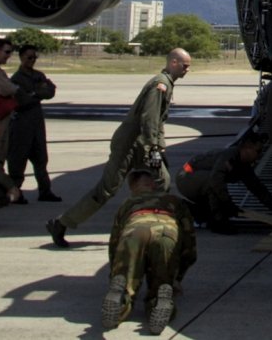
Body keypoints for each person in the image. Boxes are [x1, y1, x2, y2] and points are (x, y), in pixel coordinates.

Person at [48, 48, 191, 247]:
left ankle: (148, 226)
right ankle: (62, 223)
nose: (187, 70)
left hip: (141, 143)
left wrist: (158, 146)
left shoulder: (165, 83)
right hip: (133, 144)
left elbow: (155, 122)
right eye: (185, 66)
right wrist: (154, 148)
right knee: (108, 188)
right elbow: (149, 119)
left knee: (162, 182)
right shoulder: (161, 85)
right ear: (174, 62)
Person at [101, 167, 197, 334]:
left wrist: (115, 273)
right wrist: (177, 277)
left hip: (136, 228)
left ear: (133, 187)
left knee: (126, 277)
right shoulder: (173, 199)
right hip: (166, 231)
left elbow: (115, 242)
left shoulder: (129, 202)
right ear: (153, 184)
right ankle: (160, 299)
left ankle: (121, 296)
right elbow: (189, 240)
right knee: (161, 285)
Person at [174, 132, 272, 232]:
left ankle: (195, 211)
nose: (258, 156)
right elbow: (215, 182)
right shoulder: (230, 156)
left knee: (214, 200)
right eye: (257, 151)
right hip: (186, 177)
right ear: (247, 147)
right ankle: (218, 223)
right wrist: (228, 204)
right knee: (214, 184)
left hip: (197, 181)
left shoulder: (243, 166)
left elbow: (258, 189)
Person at [7, 42, 61, 201]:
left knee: (41, 159)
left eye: (34, 57)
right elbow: (21, 100)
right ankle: (16, 193)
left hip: (36, 123)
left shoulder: (38, 75)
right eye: (29, 57)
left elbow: (50, 91)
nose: (32, 60)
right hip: (21, 124)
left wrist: (34, 93)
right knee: (18, 160)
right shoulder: (16, 79)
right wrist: (39, 92)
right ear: (21, 58)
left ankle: (45, 191)